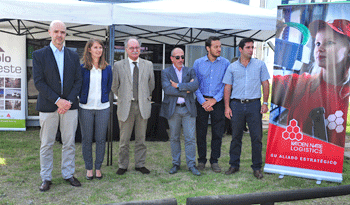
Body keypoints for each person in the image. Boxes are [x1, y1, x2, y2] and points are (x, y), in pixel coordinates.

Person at [272, 19, 350, 148]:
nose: (320, 49)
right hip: (295, 160)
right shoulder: (300, 84)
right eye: (317, 43)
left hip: (328, 163)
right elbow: (265, 84)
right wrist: (276, 39)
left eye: (329, 42)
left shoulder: (346, 94)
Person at [33, 20, 82, 191]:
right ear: (49, 32)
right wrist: (57, 100)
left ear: (65, 34)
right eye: (56, 31)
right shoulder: (39, 55)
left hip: (69, 107)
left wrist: (67, 101)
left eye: (62, 32)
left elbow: (78, 81)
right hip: (48, 106)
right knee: (47, 143)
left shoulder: (73, 55)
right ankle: (46, 177)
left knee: (69, 143)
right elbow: (39, 82)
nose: (59, 35)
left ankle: (68, 174)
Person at [223, 38, 270, 179]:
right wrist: (227, 107)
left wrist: (265, 103)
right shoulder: (232, 67)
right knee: (236, 137)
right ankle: (234, 165)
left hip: (254, 105)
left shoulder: (260, 65)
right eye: (248, 47)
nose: (251, 50)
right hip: (236, 104)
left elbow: (266, 84)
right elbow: (227, 87)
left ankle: (257, 168)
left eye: (252, 47)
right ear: (241, 49)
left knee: (257, 137)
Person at [112, 37, 155, 175]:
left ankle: (140, 164)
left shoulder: (148, 65)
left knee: (141, 139)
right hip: (126, 106)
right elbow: (114, 86)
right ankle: (123, 165)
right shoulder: (118, 65)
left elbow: (151, 85)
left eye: (137, 47)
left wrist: (143, 96)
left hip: (142, 105)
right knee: (124, 140)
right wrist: (123, 97)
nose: (135, 50)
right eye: (131, 48)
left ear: (140, 49)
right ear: (126, 50)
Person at [159, 47, 200, 176]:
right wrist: (186, 90)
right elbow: (167, 90)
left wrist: (178, 86)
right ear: (171, 58)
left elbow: (195, 85)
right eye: (177, 57)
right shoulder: (165, 72)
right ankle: (176, 163)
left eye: (182, 57)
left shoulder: (190, 70)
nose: (181, 59)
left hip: (188, 109)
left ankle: (191, 165)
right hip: (173, 109)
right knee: (174, 138)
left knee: (190, 138)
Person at [193, 36, 230, 173]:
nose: (219, 49)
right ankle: (201, 160)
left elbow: (226, 84)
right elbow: (195, 83)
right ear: (208, 48)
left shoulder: (226, 63)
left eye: (220, 46)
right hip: (201, 102)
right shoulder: (198, 63)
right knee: (201, 132)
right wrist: (203, 101)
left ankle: (214, 160)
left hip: (218, 102)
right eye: (216, 47)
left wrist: (214, 100)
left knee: (217, 133)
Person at [79, 39, 112, 180]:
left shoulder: (107, 68)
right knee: (86, 140)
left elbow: (109, 86)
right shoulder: (82, 68)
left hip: (103, 108)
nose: (99, 50)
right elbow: (79, 85)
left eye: (101, 47)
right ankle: (88, 168)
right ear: (89, 49)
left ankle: (98, 167)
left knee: (100, 139)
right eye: (95, 47)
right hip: (85, 107)